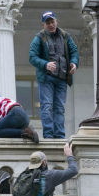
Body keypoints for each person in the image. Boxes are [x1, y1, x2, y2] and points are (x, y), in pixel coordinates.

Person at [29, 11, 78, 139]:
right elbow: (32, 57)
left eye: (52, 21)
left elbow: (74, 51)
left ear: (56, 21)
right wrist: (45, 64)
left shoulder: (66, 36)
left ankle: (60, 136)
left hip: (62, 77)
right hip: (47, 78)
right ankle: (49, 135)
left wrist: (74, 63)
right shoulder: (39, 38)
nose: (51, 24)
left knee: (60, 108)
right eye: (47, 22)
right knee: (47, 106)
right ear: (43, 24)